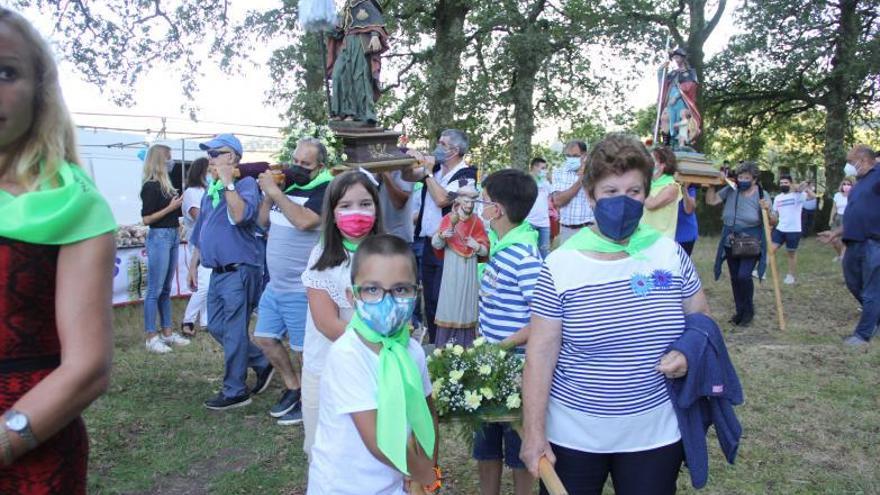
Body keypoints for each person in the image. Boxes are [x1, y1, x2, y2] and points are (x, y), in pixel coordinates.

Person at [520, 134, 709, 495]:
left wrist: (688, 351)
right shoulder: (559, 265)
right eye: (610, 192)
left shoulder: (669, 256)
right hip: (572, 435)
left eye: (634, 192)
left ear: (646, 194)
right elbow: (540, 354)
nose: (622, 202)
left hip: (654, 433)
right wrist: (534, 433)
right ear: (591, 196)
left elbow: (701, 321)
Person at [0, 9, 116, 491]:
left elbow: (88, 368)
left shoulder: (72, 206)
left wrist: (5, 442)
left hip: (29, 450)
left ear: (41, 91)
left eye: (6, 72)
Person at [307, 234, 438, 494]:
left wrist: (429, 467)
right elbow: (379, 441)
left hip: (395, 481)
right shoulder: (347, 354)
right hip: (342, 488)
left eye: (401, 289)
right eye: (372, 289)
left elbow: (427, 414)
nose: (387, 301)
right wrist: (425, 475)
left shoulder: (412, 352)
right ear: (352, 296)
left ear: (416, 293)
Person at [188, 134, 273, 410]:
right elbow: (201, 231)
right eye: (209, 154)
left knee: (235, 330)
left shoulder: (244, 184)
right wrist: (193, 264)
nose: (210, 159)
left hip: (240, 267)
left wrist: (228, 182)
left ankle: (235, 390)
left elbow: (240, 216)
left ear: (233, 157)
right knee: (216, 326)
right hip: (216, 271)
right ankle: (262, 361)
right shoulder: (211, 190)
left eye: (216, 153)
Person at [301, 171, 383, 456]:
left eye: (365, 204)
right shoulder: (323, 256)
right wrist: (377, 346)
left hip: (378, 369)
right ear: (332, 213)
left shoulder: (389, 253)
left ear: (376, 206)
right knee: (326, 449)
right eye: (345, 206)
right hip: (328, 367)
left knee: (373, 448)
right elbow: (327, 323)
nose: (356, 213)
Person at [254, 138, 333, 426]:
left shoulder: (325, 190)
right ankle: (293, 388)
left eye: (305, 164)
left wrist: (276, 191)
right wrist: (268, 194)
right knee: (264, 338)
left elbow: (303, 222)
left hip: (302, 288)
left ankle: (314, 399)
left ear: (320, 167)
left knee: (306, 351)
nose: (297, 168)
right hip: (276, 285)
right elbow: (262, 221)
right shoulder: (286, 187)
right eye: (295, 161)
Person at [474, 169, 540, 495]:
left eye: (483, 202)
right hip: (490, 362)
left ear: (496, 210)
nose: (480, 208)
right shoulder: (501, 247)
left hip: (515, 367)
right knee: (486, 442)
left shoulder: (525, 257)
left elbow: (543, 319)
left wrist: (504, 344)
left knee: (518, 446)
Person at [404, 129, 478, 344]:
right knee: (430, 299)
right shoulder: (436, 169)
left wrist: (427, 173)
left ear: (455, 150)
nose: (437, 147)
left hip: (451, 247)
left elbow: (442, 199)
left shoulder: (466, 175)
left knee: (444, 298)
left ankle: (448, 346)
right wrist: (410, 160)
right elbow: (409, 176)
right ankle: (436, 344)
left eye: (442, 144)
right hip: (428, 243)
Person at [819, 145, 880, 347]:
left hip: (874, 243)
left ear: (862, 160)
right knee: (854, 283)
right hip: (853, 242)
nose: (848, 166)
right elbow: (855, 215)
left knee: (872, 290)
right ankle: (875, 318)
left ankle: (862, 335)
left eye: (850, 161)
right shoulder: (860, 183)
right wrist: (835, 232)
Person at [706, 161, 770, 327]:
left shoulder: (761, 193)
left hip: (750, 241)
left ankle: (748, 311)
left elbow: (773, 221)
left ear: (754, 179)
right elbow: (711, 201)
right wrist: (711, 185)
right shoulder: (731, 189)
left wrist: (767, 210)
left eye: (746, 177)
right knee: (735, 277)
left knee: (744, 275)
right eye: (740, 177)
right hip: (730, 239)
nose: (742, 180)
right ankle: (739, 311)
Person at [140, 144, 189, 353]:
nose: (171, 162)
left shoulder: (166, 185)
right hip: (159, 236)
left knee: (166, 289)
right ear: (159, 161)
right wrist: (170, 208)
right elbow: (146, 219)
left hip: (171, 234)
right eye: (168, 158)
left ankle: (167, 332)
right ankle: (151, 336)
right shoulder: (150, 186)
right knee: (155, 290)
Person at [431, 182, 489, 347]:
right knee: (449, 305)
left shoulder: (477, 222)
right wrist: (443, 236)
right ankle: (444, 347)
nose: (469, 205)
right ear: (459, 202)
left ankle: (465, 348)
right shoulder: (448, 219)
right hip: (452, 270)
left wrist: (477, 246)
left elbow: (485, 251)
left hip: (469, 270)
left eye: (472, 202)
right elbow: (436, 244)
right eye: (466, 201)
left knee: (466, 308)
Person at [326, 0, 389, 124]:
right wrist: (326, 26)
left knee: (358, 76)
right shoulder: (345, 9)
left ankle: (358, 113)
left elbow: (376, 20)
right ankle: (340, 111)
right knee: (338, 75)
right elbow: (338, 31)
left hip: (359, 42)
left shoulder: (365, 3)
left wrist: (375, 35)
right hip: (346, 44)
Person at [181, 157, 210, 338]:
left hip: (208, 242)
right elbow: (199, 217)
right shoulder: (192, 192)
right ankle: (188, 320)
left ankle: (205, 320)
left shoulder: (206, 190)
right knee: (204, 285)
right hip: (198, 242)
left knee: (207, 283)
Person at [769, 175, 816, 285]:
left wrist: (805, 188)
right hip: (780, 228)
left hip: (794, 229)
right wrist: (771, 221)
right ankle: (760, 270)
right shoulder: (778, 198)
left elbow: (813, 196)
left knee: (791, 253)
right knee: (771, 249)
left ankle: (791, 275)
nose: (783, 185)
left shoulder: (798, 195)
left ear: (790, 183)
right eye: (781, 183)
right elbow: (774, 214)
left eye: (785, 183)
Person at [551, 140, 594, 244]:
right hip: (567, 230)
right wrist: (580, 181)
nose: (571, 159)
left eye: (575, 156)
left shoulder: (594, 171)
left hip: (590, 229)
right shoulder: (559, 172)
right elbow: (558, 201)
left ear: (584, 155)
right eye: (568, 156)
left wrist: (587, 175)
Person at [658, 47, 701, 148]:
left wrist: (677, 96)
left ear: (683, 58)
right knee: (664, 117)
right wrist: (661, 70)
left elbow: (691, 86)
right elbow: (663, 82)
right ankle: (666, 142)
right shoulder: (673, 73)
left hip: (683, 100)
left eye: (677, 57)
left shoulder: (690, 72)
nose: (676, 60)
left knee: (682, 118)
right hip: (670, 98)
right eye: (674, 58)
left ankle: (681, 142)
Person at [642, 146, 681, 239]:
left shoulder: (672, 186)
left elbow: (651, 204)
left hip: (661, 241)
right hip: (643, 237)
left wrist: (642, 182)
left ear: (663, 165)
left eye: (652, 161)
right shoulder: (649, 183)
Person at [525, 157, 552, 258]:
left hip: (544, 223)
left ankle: (543, 272)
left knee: (544, 253)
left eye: (545, 168)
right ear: (533, 167)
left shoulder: (546, 183)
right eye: (542, 168)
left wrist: (548, 180)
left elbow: (550, 197)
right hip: (529, 222)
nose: (543, 171)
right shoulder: (526, 182)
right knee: (529, 252)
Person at [378, 169, 414, 243]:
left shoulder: (403, 169)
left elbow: (399, 203)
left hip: (399, 237)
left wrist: (385, 172)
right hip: (382, 236)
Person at [828, 177, 853, 262]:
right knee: (834, 240)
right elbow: (834, 208)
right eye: (844, 184)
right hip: (837, 217)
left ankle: (843, 256)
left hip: (848, 218)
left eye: (848, 184)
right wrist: (831, 218)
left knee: (845, 239)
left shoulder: (853, 195)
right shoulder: (837, 195)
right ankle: (839, 255)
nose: (846, 186)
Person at [675, 183, 699, 255]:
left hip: (685, 234)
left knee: (680, 264)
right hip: (669, 233)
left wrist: (684, 189)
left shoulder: (690, 189)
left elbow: (689, 210)